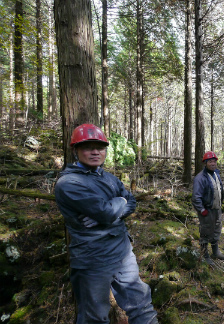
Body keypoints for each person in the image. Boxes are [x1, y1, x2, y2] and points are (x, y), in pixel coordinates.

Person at [54, 124, 158, 324]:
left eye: (100, 147)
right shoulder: (68, 184)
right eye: (88, 147)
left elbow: (130, 203)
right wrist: (117, 205)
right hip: (92, 258)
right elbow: (106, 212)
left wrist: (114, 208)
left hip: (122, 251)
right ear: (75, 150)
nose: (95, 152)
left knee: (142, 306)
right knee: (94, 317)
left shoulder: (109, 178)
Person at [192, 151, 224, 265]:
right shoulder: (200, 178)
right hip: (206, 210)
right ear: (205, 163)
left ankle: (215, 252)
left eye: (214, 161)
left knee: (216, 229)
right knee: (205, 231)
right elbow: (196, 197)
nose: (213, 163)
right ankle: (204, 254)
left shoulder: (216, 174)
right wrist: (202, 210)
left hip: (216, 208)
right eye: (210, 161)